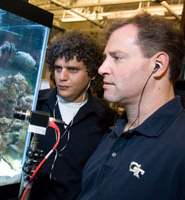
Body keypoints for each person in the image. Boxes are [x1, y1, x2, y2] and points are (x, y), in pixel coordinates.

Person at [78, 13, 185, 200]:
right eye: (105, 58)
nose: (102, 69)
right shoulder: (114, 131)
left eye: (117, 58)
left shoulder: (179, 145)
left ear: (158, 66)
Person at [28, 30, 116, 200]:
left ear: (91, 73)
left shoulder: (106, 119)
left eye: (73, 70)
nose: (62, 77)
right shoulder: (37, 103)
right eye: (58, 68)